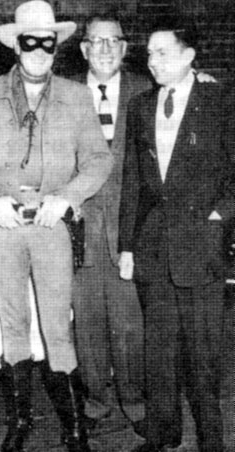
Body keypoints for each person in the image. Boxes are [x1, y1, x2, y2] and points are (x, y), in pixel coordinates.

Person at [0, 2, 113, 452]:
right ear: (16, 46)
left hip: (50, 227)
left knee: (58, 328)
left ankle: (75, 427)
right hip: (2, 228)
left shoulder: (76, 97)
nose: (39, 50)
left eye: (48, 42)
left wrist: (66, 198)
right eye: (30, 41)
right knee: (13, 324)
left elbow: (99, 159)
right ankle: (19, 423)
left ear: (58, 47)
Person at [118, 16, 234, 452]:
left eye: (162, 52)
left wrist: (220, 215)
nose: (152, 61)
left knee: (202, 357)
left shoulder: (220, 101)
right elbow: (134, 181)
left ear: (189, 56)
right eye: (148, 53)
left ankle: (212, 441)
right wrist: (126, 245)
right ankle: (164, 433)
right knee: (159, 353)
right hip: (153, 249)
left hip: (202, 250)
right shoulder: (141, 106)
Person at [72, 13, 150, 429]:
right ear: (84, 48)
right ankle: (96, 403)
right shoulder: (62, 95)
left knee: (130, 323)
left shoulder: (146, 91)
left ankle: (136, 402)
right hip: (79, 230)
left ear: (124, 48)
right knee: (87, 325)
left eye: (112, 41)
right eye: (96, 42)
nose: (104, 49)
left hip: (129, 231)